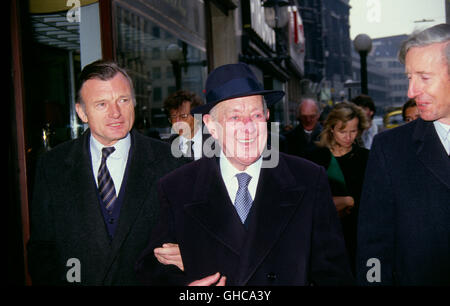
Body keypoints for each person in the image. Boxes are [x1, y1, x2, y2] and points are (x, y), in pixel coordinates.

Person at [135, 63, 354, 286]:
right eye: (235, 118)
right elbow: (152, 270)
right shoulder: (177, 188)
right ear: (211, 125)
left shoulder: (308, 180)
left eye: (256, 115)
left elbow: (334, 274)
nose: (248, 128)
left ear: (267, 116)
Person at [27, 60, 186, 285]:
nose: (116, 113)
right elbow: (41, 250)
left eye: (123, 100)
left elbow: (192, 238)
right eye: (101, 104)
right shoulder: (52, 166)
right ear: (81, 112)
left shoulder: (171, 162)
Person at [356, 23, 450, 285]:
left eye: (424, 77)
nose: (411, 92)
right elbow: (372, 249)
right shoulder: (390, 149)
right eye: (409, 77)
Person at [305, 102, 370, 275]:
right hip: (326, 240)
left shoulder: (367, 158)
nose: (349, 137)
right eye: (343, 131)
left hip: (358, 237)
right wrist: (347, 201)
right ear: (331, 128)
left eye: (353, 131)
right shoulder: (315, 157)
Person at [164, 90, 204, 160]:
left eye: (183, 116)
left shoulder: (217, 142)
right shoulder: (166, 147)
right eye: (173, 117)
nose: (177, 122)